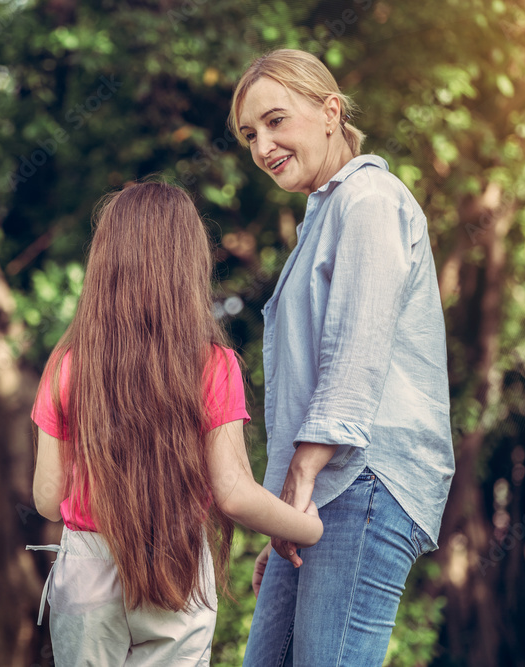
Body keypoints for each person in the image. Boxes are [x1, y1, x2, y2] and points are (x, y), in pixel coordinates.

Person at [25, 181, 324, 666]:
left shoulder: (67, 364)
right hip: (177, 565)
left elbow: (46, 499)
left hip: (86, 571)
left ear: (104, 263)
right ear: (188, 265)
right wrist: (307, 530)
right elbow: (234, 492)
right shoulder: (213, 364)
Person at [228, 49, 456, 666]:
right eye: (251, 134)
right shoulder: (324, 214)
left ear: (330, 111)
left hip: (364, 478)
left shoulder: (370, 198)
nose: (263, 145)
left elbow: (356, 351)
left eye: (276, 121)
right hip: (319, 489)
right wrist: (284, 506)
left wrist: (296, 485)